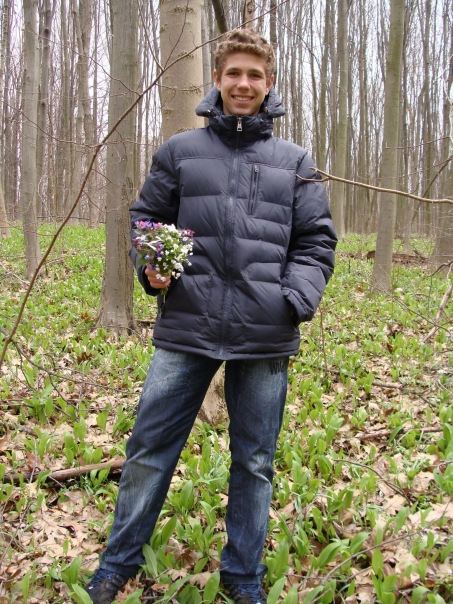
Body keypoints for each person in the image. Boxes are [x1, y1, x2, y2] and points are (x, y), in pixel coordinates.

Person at [82, 28, 337, 604]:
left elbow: (317, 242)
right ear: (217, 79)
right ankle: (116, 565)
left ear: (270, 84)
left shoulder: (295, 162)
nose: (243, 84)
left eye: (255, 75)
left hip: (265, 333)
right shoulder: (179, 151)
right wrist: (151, 267)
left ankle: (242, 577)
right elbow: (146, 218)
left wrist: (292, 301)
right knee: (149, 451)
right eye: (234, 74)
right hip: (186, 326)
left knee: (255, 462)